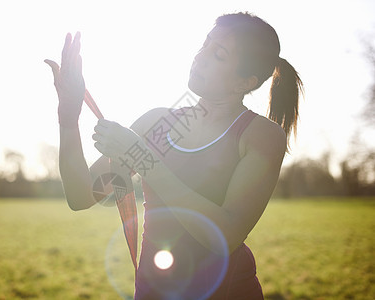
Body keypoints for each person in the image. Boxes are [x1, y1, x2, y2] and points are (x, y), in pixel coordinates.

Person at [45, 12, 303, 300]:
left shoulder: (260, 135)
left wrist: (144, 159)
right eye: (205, 44)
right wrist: (68, 117)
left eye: (218, 54)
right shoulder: (160, 124)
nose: (200, 57)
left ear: (244, 82)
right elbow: (81, 196)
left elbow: (225, 235)